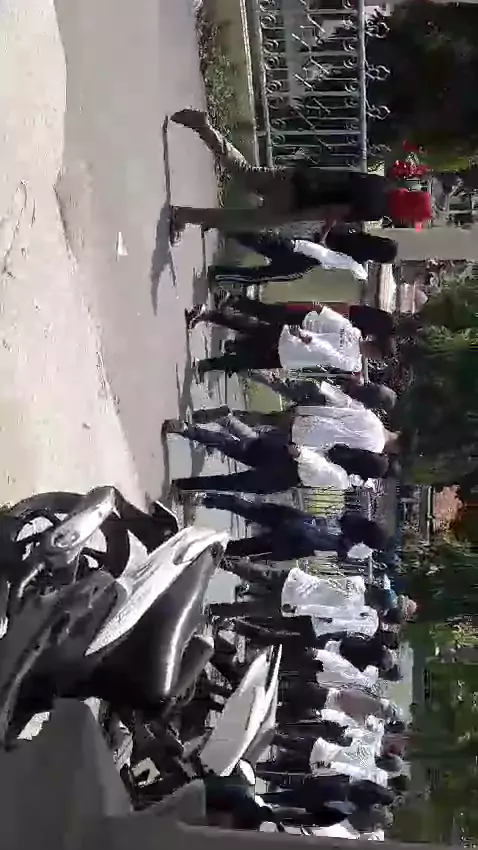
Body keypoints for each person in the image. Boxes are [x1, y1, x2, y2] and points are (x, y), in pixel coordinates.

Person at [169, 108, 433, 235]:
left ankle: (204, 127)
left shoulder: (383, 184)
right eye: (411, 220)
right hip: (297, 202)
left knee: (246, 172)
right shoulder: (376, 209)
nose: (407, 223)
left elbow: (345, 181)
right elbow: (333, 209)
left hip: (301, 177)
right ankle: (184, 215)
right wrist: (320, 229)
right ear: (407, 212)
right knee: (243, 219)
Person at [192, 302, 388, 378]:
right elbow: (327, 325)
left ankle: (207, 364)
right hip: (294, 340)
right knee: (250, 328)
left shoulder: (353, 354)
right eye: (376, 355)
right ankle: (207, 315)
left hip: (294, 349)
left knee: (250, 356)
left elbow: (329, 347)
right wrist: (305, 329)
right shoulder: (352, 340)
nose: (372, 357)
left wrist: (308, 333)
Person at [192, 493, 391, 561]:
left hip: (297, 519)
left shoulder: (355, 520)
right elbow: (313, 550)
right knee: (245, 547)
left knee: (249, 509)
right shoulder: (343, 548)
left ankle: (206, 499)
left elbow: (331, 517)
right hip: (290, 540)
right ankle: (203, 550)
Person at [205, 231, 367, 286]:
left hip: (299, 245)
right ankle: (218, 273)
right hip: (301, 260)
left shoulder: (349, 244)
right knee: (258, 275)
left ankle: (227, 230)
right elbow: (361, 274)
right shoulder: (352, 263)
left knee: (261, 243)